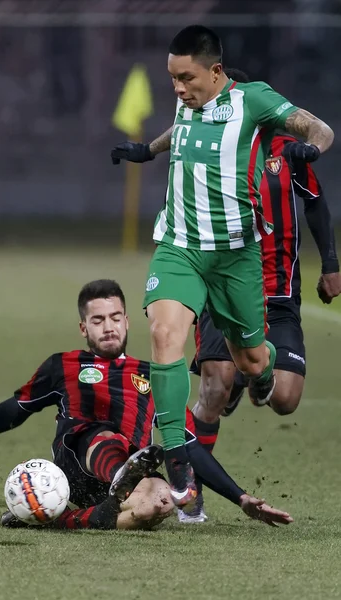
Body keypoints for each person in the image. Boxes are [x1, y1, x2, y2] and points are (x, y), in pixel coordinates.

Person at [110, 25, 334, 509]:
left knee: (253, 361)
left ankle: (260, 373)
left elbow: (320, 129)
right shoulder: (187, 99)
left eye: (185, 78)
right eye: (172, 78)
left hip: (235, 257)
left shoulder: (253, 101)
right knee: (164, 335)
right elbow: (182, 128)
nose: (177, 88)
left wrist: (309, 149)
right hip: (179, 246)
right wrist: (147, 151)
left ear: (215, 72)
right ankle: (176, 461)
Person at [0, 279, 293, 529]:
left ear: (128, 321)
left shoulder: (154, 374)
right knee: (104, 436)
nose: (109, 326)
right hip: (79, 468)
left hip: (129, 472)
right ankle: (116, 480)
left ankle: (74, 518)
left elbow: (188, 444)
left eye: (115, 317)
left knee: (160, 503)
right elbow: (15, 410)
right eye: (97, 320)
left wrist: (240, 497)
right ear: (84, 328)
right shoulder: (62, 365)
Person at [179, 68, 341, 524]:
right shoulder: (208, 148)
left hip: (277, 294)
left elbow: (316, 203)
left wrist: (330, 264)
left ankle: (258, 374)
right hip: (222, 288)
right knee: (213, 387)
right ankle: (193, 492)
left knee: (285, 398)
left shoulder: (286, 150)